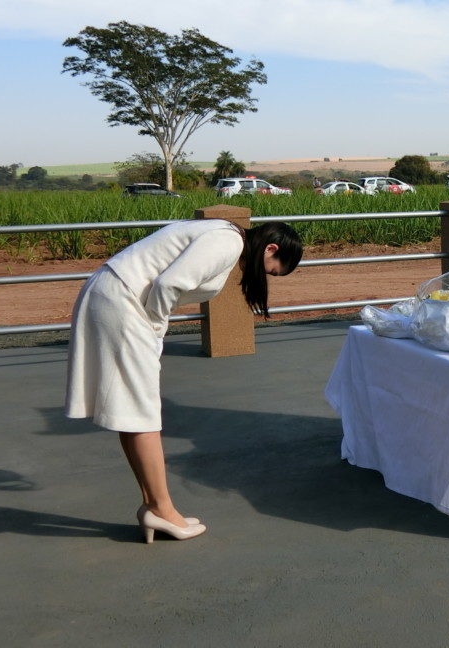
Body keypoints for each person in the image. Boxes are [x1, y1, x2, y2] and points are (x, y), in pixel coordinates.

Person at [65, 219, 303, 543]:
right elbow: (168, 285)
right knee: (142, 411)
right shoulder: (228, 241)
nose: (267, 277)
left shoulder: (222, 234)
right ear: (271, 249)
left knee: (133, 410)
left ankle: (155, 506)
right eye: (273, 270)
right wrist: (155, 329)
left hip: (116, 294)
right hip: (125, 303)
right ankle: (161, 510)